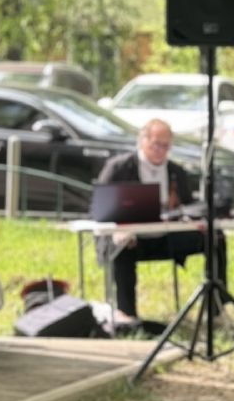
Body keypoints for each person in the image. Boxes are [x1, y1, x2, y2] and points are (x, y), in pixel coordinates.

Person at [94, 118, 225, 323]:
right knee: (121, 246)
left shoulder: (176, 172)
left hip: (166, 237)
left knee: (215, 238)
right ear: (142, 141)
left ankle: (216, 308)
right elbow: (99, 211)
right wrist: (118, 229)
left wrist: (193, 219)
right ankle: (127, 315)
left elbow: (189, 207)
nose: (160, 150)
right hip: (131, 239)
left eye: (165, 146)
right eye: (156, 144)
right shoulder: (118, 168)